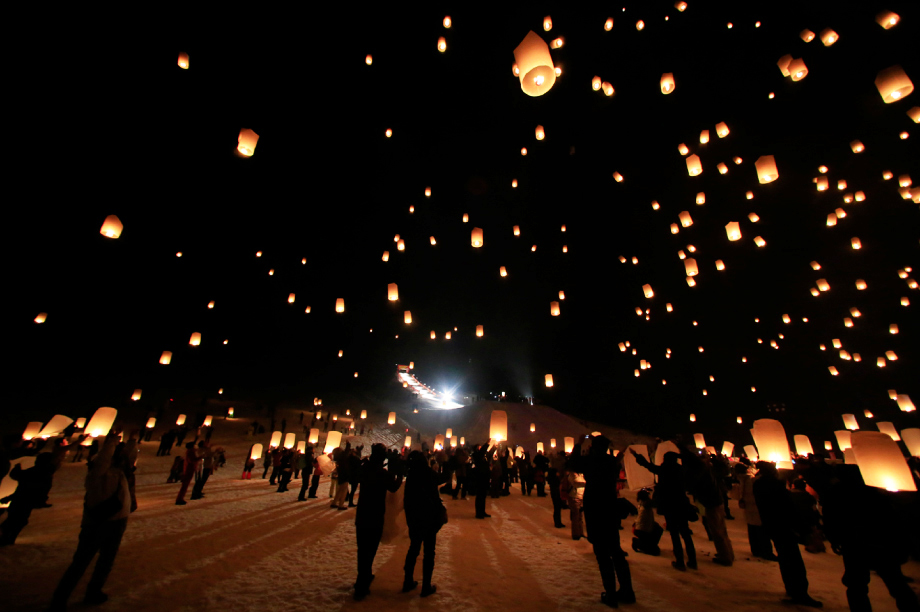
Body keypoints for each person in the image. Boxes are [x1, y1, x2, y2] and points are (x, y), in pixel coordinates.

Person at [47, 432, 132, 609]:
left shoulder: (120, 474)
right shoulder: (98, 475)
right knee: (81, 562)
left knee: (106, 561)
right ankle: (60, 598)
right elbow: (104, 459)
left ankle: (94, 591)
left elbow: (129, 458)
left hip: (118, 522)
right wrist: (111, 443)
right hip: (97, 523)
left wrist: (131, 441)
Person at [823, 464, 919, 612]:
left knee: (857, 585)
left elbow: (831, 518)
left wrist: (835, 539)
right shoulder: (873, 491)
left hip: (855, 544)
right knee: (894, 581)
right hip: (878, 542)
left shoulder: (835, 493)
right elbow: (891, 517)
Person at [753, 462, 822, 608]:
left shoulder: (758, 485)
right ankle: (800, 593)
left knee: (785, 560)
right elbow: (788, 509)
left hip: (772, 526)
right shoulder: (776, 486)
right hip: (784, 527)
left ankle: (792, 590)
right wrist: (804, 529)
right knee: (794, 561)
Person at [577, 436, 635, 608]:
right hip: (609, 508)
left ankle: (610, 594)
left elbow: (574, 463)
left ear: (593, 447)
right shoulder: (610, 462)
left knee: (603, 555)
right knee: (616, 552)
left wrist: (579, 445)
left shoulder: (591, 462)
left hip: (595, 510)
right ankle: (627, 590)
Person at [631, 448, 697, 571]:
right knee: (686, 534)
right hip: (682, 504)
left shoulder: (664, 470)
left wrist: (637, 455)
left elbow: (648, 465)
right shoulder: (681, 470)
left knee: (675, 534)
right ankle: (693, 561)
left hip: (669, 505)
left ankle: (680, 561)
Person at [353, 444, 403, 601]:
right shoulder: (382, 473)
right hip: (375, 515)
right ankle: (362, 584)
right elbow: (394, 487)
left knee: (362, 549)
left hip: (362, 514)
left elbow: (355, 475)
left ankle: (363, 576)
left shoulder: (365, 468)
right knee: (370, 549)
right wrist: (400, 476)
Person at [402, 451, 445, 597]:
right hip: (429, 518)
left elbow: (406, 500)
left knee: (413, 549)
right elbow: (440, 483)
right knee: (429, 552)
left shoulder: (411, 476)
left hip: (415, 519)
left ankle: (407, 581)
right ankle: (426, 585)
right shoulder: (429, 474)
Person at [0, 454, 55, 545]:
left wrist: (17, 469)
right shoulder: (47, 472)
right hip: (29, 501)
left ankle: (7, 538)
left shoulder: (36, 472)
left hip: (22, 500)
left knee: (14, 520)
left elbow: (21, 481)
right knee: (19, 519)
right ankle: (10, 538)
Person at [732, 462, 776, 560]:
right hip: (758, 507)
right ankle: (766, 552)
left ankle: (756, 550)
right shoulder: (755, 480)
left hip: (749, 507)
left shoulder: (743, 479)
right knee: (762, 530)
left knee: (752, 528)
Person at [631, 488, 663, 555]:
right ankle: (638, 543)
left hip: (642, 528)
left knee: (658, 530)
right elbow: (655, 502)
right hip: (642, 530)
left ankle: (647, 544)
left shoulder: (643, 504)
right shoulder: (646, 505)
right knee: (655, 551)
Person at [561, 460, 586, 540]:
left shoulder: (581, 474)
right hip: (573, 496)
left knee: (580, 516)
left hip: (581, 496)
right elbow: (575, 483)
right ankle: (576, 534)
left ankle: (580, 532)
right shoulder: (572, 474)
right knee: (575, 515)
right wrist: (586, 483)